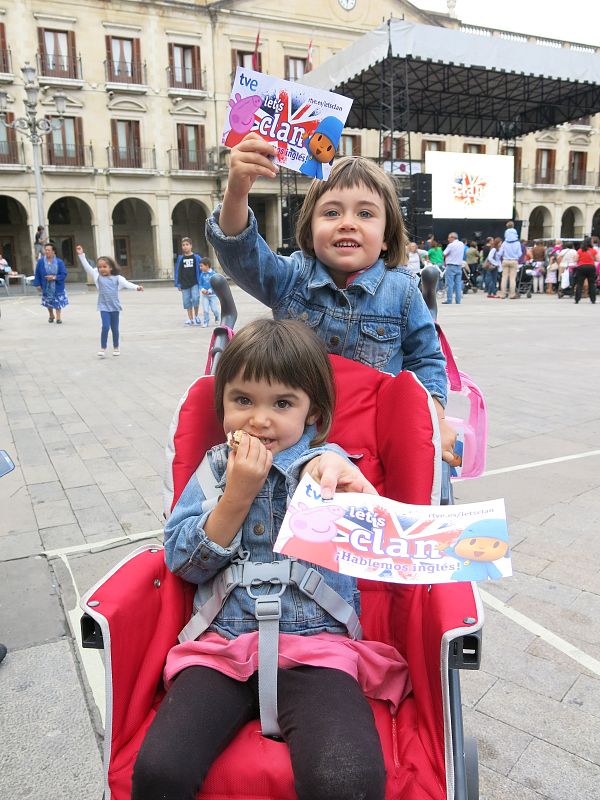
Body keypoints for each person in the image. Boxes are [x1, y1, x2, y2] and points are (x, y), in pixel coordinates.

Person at [131, 318, 408, 800]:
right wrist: (236, 496)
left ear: (313, 416)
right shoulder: (215, 470)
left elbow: (379, 544)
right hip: (222, 647)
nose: (259, 420)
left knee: (348, 780)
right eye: (243, 401)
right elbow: (183, 563)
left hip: (316, 649)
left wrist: (353, 486)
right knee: (160, 771)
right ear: (223, 407)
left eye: (282, 404)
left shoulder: (328, 467)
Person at [206, 134, 456, 461]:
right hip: (293, 444)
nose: (348, 224)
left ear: (386, 237)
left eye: (365, 214)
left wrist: (435, 419)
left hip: (372, 444)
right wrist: (237, 190)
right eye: (332, 213)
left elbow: (425, 360)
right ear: (310, 231)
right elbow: (242, 256)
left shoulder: (403, 291)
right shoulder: (292, 277)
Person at [75, 245, 144, 357]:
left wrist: (137, 287)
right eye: (99, 267)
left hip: (115, 307)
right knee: (105, 326)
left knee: (115, 328)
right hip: (103, 306)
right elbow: (87, 268)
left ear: (110, 267)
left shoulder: (117, 278)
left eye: (104, 266)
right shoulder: (97, 275)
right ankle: (103, 348)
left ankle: (116, 347)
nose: (101, 269)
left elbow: (127, 284)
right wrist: (81, 255)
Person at [33, 242, 68, 323]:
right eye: (46, 250)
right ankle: (51, 315)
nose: (46, 252)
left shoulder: (59, 262)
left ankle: (58, 318)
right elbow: (37, 273)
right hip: (45, 285)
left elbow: (63, 274)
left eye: (48, 250)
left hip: (57, 285)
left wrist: (54, 277)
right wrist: (37, 284)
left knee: (58, 301)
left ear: (53, 251)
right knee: (48, 301)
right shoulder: (41, 261)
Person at [174, 237, 203, 326]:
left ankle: (197, 316)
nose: (185, 247)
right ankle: (190, 319)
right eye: (183, 245)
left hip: (194, 282)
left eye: (187, 245)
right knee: (186, 301)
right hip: (184, 283)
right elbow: (178, 271)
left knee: (195, 299)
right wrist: (178, 283)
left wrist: (202, 282)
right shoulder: (180, 258)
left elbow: (201, 270)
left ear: (191, 246)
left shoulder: (197, 257)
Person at [498, 221, 521, 299]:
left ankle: (503, 294)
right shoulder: (517, 243)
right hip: (514, 261)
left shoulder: (504, 243)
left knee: (504, 278)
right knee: (512, 279)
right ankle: (512, 294)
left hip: (505, 261)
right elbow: (520, 254)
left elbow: (500, 253)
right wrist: (515, 256)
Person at [442, 232, 465, 304]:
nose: (448, 239)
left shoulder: (451, 245)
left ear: (452, 237)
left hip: (451, 266)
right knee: (458, 284)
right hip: (459, 266)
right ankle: (458, 300)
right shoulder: (461, 244)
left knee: (450, 284)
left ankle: (449, 300)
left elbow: (444, 253)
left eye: (449, 237)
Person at [198, 257, 221, 327]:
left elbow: (216, 284)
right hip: (205, 295)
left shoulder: (213, 274)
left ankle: (217, 317)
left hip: (213, 295)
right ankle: (206, 321)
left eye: (201, 266)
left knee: (214, 309)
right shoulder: (202, 275)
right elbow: (200, 284)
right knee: (205, 309)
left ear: (207, 265)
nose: (200, 267)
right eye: (200, 266)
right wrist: (202, 289)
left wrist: (210, 290)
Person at [574, 236, 597, 304]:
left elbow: (575, 259)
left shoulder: (580, 250)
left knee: (580, 283)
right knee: (592, 284)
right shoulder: (593, 250)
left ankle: (577, 299)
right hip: (591, 267)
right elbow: (598, 259)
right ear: (590, 243)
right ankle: (593, 299)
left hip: (581, 267)